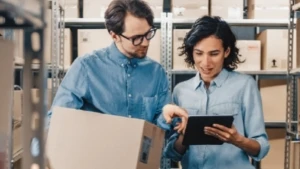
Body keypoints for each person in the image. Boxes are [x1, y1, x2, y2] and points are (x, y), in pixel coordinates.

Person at [46, 0, 187, 132]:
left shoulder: (156, 72)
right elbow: (56, 122)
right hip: (98, 156)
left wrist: (165, 116)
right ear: (114, 36)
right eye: (136, 38)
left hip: (141, 158)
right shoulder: (85, 68)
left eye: (148, 33)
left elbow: (159, 130)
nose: (145, 43)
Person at [163, 16, 270, 169]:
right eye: (199, 53)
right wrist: (184, 136)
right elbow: (172, 154)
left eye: (214, 54)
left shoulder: (245, 85)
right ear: (191, 52)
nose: (205, 62)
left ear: (226, 51)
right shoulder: (181, 91)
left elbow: (262, 148)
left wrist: (237, 140)